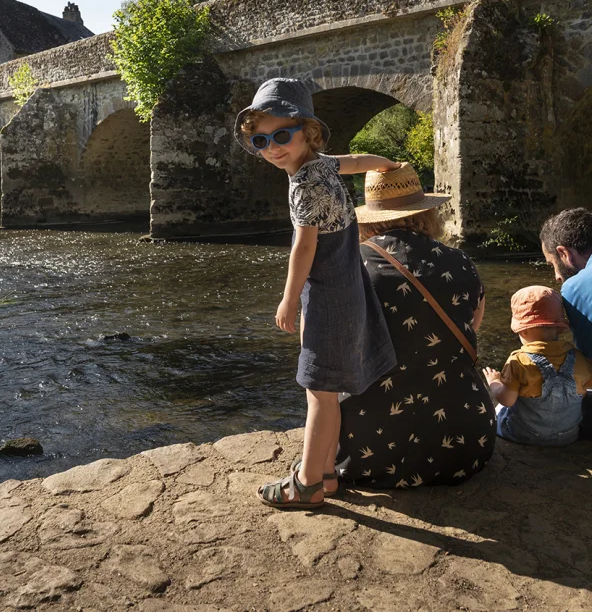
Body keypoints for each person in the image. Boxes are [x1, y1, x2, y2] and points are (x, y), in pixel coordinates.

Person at [235, 77, 398, 508]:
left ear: (306, 132)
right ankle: (325, 474)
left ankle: (306, 484)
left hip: (328, 294)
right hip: (346, 285)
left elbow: (304, 248)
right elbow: (356, 160)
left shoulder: (306, 183)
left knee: (319, 392)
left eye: (281, 135)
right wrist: (387, 164)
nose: (272, 147)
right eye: (260, 140)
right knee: (327, 389)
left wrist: (289, 300)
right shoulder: (321, 165)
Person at [335, 163, 495, 489]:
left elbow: (328, 353)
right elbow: (471, 329)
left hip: (368, 454)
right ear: (427, 213)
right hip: (465, 446)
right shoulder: (462, 262)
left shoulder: (350, 265)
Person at [483, 286, 592, 446]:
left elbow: (507, 400)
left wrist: (494, 382)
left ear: (523, 330)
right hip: (568, 436)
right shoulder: (578, 358)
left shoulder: (519, 360)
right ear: (559, 328)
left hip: (523, 435)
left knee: (500, 409)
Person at [540, 208, 592, 358]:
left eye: (552, 264)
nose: (556, 276)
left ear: (564, 253)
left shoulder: (575, 288)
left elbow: (587, 363)